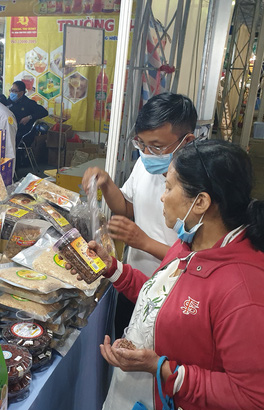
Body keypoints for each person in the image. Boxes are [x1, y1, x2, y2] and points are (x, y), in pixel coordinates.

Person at [82, 140, 264, 410]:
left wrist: (163, 370)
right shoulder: (191, 243)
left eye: (169, 187)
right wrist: (111, 268)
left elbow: (258, 396)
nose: (162, 198)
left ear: (200, 202)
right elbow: (161, 299)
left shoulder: (246, 291)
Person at [82, 92, 197, 338]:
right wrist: (106, 184)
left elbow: (198, 261)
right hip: (132, 281)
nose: (146, 152)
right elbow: (127, 207)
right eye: (141, 143)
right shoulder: (146, 163)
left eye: (156, 146)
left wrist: (143, 241)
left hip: (172, 293)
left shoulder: (199, 189)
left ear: (187, 141)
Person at [7, 80, 48, 148]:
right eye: (11, 90)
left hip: (22, 132)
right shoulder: (8, 101)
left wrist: (29, 117)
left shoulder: (28, 103)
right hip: (9, 129)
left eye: (14, 91)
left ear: (22, 93)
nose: (12, 93)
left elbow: (44, 112)